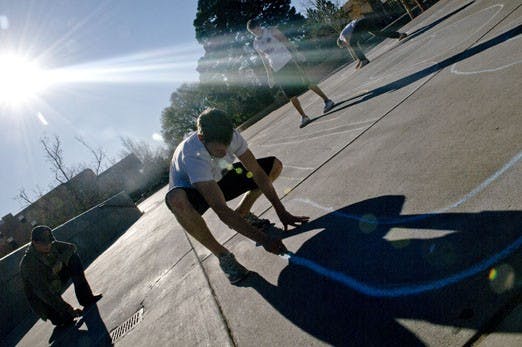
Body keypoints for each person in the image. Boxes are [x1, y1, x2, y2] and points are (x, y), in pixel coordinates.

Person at [165, 108, 309, 284]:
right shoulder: (192, 155)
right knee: (176, 201)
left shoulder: (230, 135)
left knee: (273, 166)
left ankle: (243, 212)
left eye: (227, 144)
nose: (226, 152)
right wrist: (263, 240)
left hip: (220, 176)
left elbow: (256, 171)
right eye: (219, 148)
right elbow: (220, 209)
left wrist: (281, 210)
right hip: (194, 191)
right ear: (202, 139)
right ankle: (223, 255)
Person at [247, 18, 335, 128]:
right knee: (291, 96)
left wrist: (297, 54)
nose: (255, 33)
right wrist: (269, 75)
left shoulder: (271, 31)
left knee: (307, 83)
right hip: (277, 69)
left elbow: (286, 41)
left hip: (288, 62)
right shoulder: (256, 43)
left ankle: (327, 101)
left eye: (255, 30)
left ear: (259, 26)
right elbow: (264, 59)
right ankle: (304, 116)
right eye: (252, 32)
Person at [20, 225, 102, 327]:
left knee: (73, 258)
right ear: (34, 242)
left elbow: (71, 247)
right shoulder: (29, 264)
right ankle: (58, 317)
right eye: (44, 244)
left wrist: (60, 261)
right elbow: (45, 293)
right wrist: (70, 310)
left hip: (55, 281)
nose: (48, 246)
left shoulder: (52, 245)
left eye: (49, 242)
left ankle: (86, 298)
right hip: (44, 300)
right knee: (65, 320)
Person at [337, 4, 408, 69]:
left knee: (352, 43)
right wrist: (359, 61)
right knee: (378, 33)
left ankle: (364, 60)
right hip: (363, 21)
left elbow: (350, 45)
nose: (345, 46)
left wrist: (360, 60)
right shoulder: (344, 34)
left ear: (341, 42)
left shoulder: (342, 36)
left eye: (343, 45)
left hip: (359, 24)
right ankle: (399, 35)